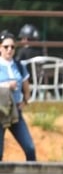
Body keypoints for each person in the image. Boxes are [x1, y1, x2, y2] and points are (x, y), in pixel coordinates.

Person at [0, 32, 36, 161]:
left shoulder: (19, 66)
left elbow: (26, 86)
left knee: (30, 148)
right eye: (6, 47)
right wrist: (6, 85)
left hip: (15, 111)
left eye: (12, 47)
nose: (9, 50)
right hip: (0, 111)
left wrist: (25, 101)